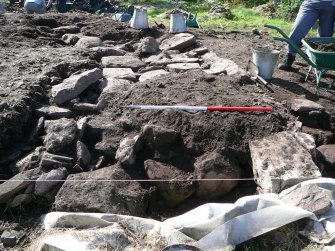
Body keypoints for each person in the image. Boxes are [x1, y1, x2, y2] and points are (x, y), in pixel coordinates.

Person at [279, 0, 335, 70]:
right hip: (311, 3)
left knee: (325, 38)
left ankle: (320, 66)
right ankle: (289, 58)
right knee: (297, 30)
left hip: (332, 5)